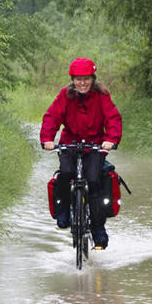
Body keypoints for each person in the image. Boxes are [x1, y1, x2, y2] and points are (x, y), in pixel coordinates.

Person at [40, 57, 122, 249]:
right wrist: (47, 139)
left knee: (94, 181)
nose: (82, 83)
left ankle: (98, 229)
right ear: (72, 80)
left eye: (86, 78)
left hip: (95, 145)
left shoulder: (101, 96)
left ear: (93, 79)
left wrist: (111, 139)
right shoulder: (65, 95)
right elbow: (52, 116)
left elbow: (113, 118)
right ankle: (63, 213)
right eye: (78, 79)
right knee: (66, 174)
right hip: (70, 144)